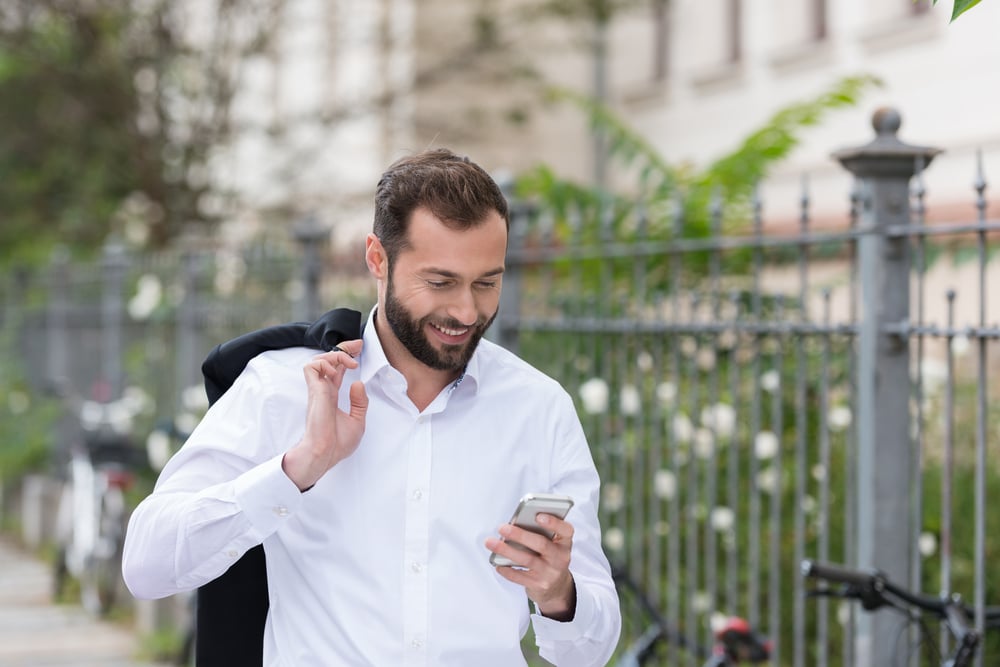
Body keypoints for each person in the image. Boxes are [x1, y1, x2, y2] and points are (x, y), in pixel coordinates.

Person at [122, 148, 622, 666]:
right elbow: (146, 565)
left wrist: (560, 595)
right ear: (377, 260)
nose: (466, 310)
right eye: (441, 282)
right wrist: (297, 468)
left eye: (486, 283)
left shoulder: (540, 409)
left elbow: (591, 651)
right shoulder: (282, 389)